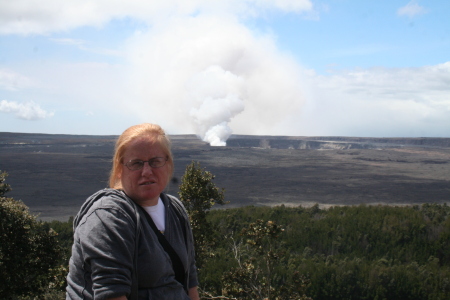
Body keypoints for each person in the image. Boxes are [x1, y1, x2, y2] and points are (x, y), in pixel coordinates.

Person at [66, 123, 199, 300]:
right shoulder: (108, 217)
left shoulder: (175, 210)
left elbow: (190, 285)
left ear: (168, 164)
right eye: (136, 163)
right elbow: (112, 294)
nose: (147, 172)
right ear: (120, 169)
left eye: (155, 162)